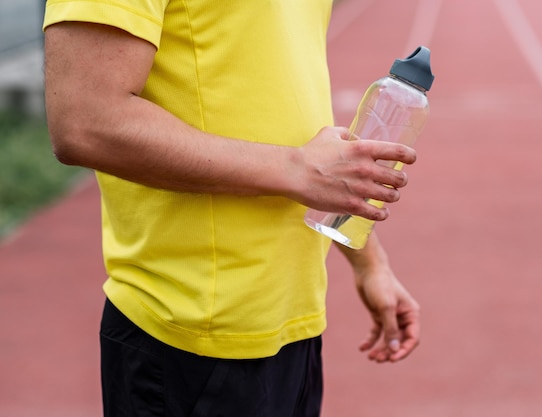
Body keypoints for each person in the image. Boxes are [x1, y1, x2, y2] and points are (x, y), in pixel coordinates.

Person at [43, 1, 421, 416]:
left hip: (292, 318)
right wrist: (295, 168)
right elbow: (85, 121)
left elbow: (271, 91)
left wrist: (369, 261)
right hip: (188, 331)